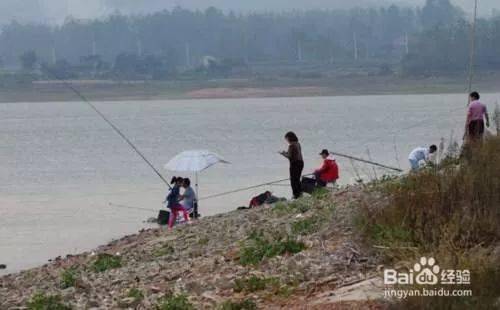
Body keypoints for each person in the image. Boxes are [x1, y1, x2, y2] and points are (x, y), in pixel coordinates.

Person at [280, 131, 304, 199]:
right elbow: (295, 153)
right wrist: (286, 152)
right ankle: (300, 193)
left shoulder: (291, 145)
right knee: (297, 179)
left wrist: (283, 154)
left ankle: (295, 195)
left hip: (295, 164)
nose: (286, 140)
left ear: (289, 138)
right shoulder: (298, 144)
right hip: (301, 163)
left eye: (286, 139)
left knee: (293, 180)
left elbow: (289, 156)